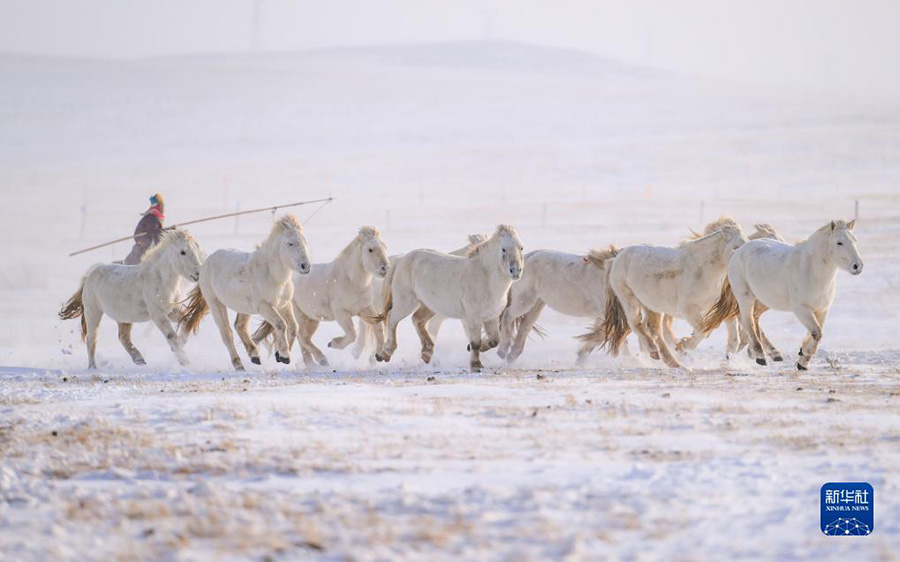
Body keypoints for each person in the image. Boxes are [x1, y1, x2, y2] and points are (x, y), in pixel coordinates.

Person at [123, 193, 166, 265]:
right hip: (143, 242)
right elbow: (153, 231)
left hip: (146, 242)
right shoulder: (152, 216)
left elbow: (156, 232)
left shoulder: (155, 216)